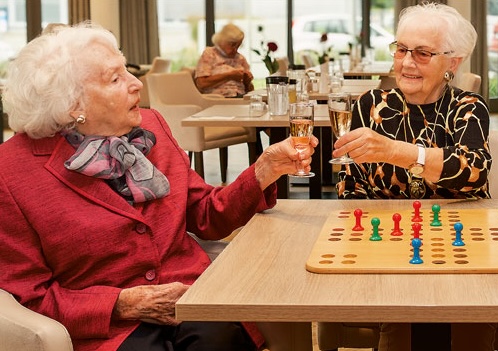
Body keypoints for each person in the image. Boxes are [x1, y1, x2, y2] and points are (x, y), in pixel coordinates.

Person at [0, 23, 316, 351]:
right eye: (115, 78)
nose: (137, 83)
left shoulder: (151, 126)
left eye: (127, 70)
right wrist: (121, 304)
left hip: (190, 298)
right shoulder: (11, 172)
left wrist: (264, 170)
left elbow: (207, 214)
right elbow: (29, 295)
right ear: (73, 106)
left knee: (219, 340)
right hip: (109, 327)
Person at [330, 3, 494, 350]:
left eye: (422, 53)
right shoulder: (369, 105)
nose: (406, 62)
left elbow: (473, 172)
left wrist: (396, 152)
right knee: (399, 313)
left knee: (468, 321)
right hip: (389, 242)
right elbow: (350, 185)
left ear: (453, 61)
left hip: (461, 242)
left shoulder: (467, 107)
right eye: (401, 49)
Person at [195, 23, 254, 97]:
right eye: (232, 44)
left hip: (240, 97)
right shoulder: (210, 54)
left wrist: (247, 81)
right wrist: (229, 75)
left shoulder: (240, 58)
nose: (235, 49)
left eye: (238, 46)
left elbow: (250, 90)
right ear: (222, 40)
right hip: (218, 98)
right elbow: (201, 83)